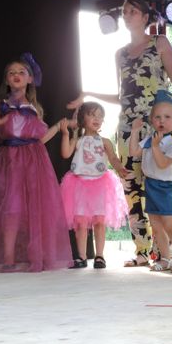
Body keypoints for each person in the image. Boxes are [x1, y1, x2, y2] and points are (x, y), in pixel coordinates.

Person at [69, 0, 172, 268]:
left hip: (156, 125)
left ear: (145, 17)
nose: (126, 15)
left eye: (132, 11)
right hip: (127, 128)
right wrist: (89, 93)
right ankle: (142, 251)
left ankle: (165, 252)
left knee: (156, 184)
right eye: (125, 11)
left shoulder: (159, 43)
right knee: (131, 188)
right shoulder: (120, 53)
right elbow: (123, 95)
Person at [0, 53, 72, 272]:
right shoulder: (1, 104)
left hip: (33, 161)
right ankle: (8, 257)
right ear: (6, 80)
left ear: (30, 79)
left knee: (34, 207)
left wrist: (57, 127)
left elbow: (40, 138)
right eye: (11, 73)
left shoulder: (35, 107)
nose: (16, 75)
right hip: (9, 160)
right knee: (11, 207)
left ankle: (35, 255)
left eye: (21, 72)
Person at [59, 102, 129, 269]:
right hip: (79, 184)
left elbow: (113, 158)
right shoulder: (78, 140)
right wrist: (65, 134)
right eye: (92, 115)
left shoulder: (105, 142)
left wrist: (119, 168)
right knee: (81, 223)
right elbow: (65, 153)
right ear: (82, 118)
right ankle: (81, 257)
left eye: (100, 116)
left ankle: (100, 256)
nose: (97, 119)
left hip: (100, 184)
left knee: (99, 221)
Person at [129, 90, 172, 272]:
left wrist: (154, 146)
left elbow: (162, 164)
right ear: (152, 120)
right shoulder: (151, 138)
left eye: (167, 117)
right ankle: (165, 259)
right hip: (151, 185)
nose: (162, 121)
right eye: (157, 117)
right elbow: (134, 152)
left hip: (166, 187)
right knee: (156, 226)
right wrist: (135, 131)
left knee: (169, 224)